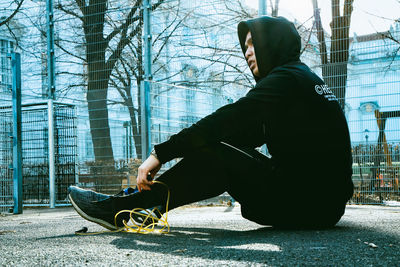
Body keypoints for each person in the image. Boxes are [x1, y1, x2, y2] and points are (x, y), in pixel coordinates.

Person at [68, 16, 354, 230]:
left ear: (274, 44)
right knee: (214, 145)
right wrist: (198, 146)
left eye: (255, 43)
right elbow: (244, 132)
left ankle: (122, 208)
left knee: (215, 150)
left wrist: (161, 153)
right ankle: (145, 206)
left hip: (305, 206)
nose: (248, 53)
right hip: (321, 206)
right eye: (245, 46)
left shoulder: (286, 80)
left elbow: (226, 120)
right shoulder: (302, 80)